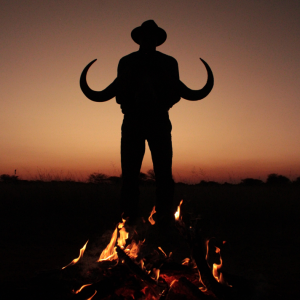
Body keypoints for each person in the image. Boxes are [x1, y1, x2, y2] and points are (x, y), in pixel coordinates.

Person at [116, 20, 181, 226]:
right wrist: (130, 103)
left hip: (159, 120)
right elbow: (119, 93)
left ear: (157, 39)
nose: (148, 39)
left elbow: (176, 93)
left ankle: (163, 219)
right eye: (145, 35)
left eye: (152, 36)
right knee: (130, 174)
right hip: (133, 120)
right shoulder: (126, 62)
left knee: (163, 173)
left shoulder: (169, 62)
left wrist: (159, 103)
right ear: (140, 38)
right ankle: (129, 220)